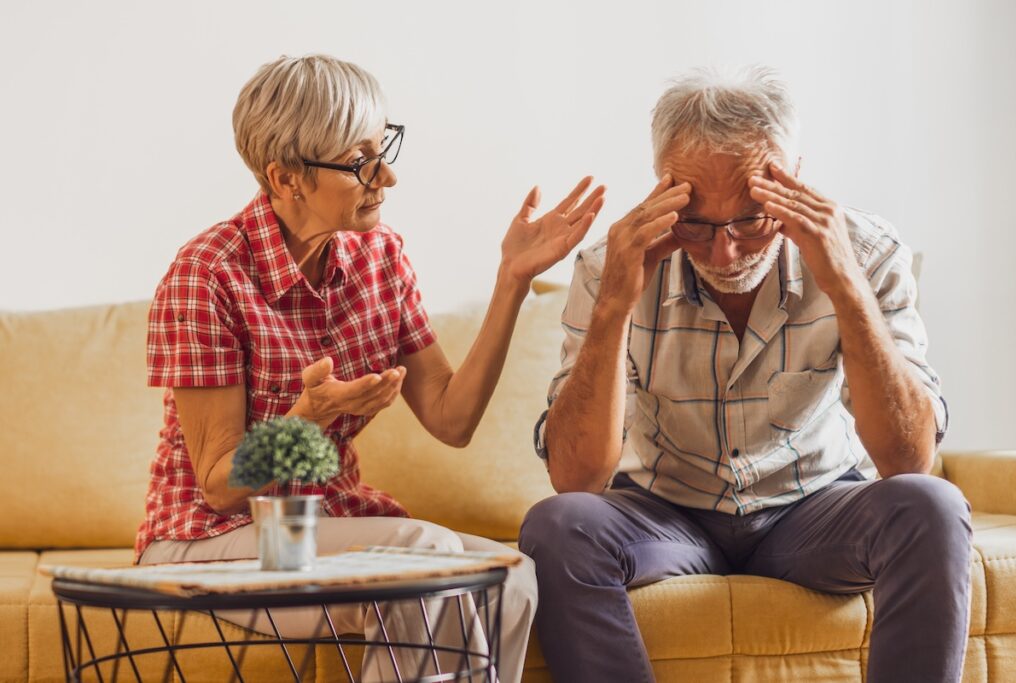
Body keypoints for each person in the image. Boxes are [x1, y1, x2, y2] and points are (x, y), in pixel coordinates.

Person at [135, 54, 604, 683]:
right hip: (205, 540)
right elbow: (219, 484)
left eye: (383, 148)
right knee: (423, 560)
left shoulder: (378, 255)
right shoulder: (208, 274)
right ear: (286, 178)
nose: (386, 176)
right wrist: (304, 421)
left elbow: (451, 416)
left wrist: (513, 280)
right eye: (360, 161)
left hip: (315, 524)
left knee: (511, 577)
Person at [519, 65, 970, 683]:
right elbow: (575, 477)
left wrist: (844, 286)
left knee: (933, 505)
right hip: (666, 511)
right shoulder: (609, 268)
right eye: (697, 224)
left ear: (793, 181)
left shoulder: (868, 253)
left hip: (813, 507)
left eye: (752, 219)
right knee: (557, 525)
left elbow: (907, 459)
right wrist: (615, 306)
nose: (724, 253)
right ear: (662, 191)